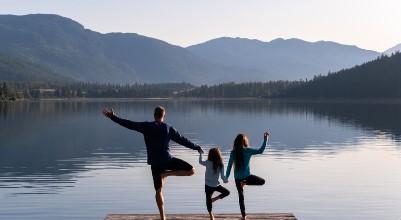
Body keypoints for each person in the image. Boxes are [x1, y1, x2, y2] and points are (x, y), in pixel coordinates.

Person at [102, 106, 203, 220]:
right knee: (191, 170)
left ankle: (162, 217)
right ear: (163, 116)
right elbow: (182, 140)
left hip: (155, 163)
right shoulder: (168, 128)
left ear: (154, 115)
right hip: (167, 160)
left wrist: (113, 117)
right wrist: (196, 147)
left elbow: (129, 124)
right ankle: (166, 174)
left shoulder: (146, 126)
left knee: (158, 191)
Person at [225, 131, 270, 220]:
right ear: (245, 141)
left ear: (236, 142)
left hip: (237, 178)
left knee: (241, 197)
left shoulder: (233, 153)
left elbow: (229, 166)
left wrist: (226, 177)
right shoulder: (248, 151)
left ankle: (244, 216)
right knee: (262, 181)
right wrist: (265, 140)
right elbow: (260, 151)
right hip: (247, 176)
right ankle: (245, 182)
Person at [199, 148, 230, 220]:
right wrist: (225, 180)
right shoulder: (221, 164)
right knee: (227, 192)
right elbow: (222, 177)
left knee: (208, 199)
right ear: (218, 155)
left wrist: (200, 153)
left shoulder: (207, 162)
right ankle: (214, 199)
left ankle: (211, 216)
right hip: (216, 185)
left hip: (208, 185)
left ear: (210, 155)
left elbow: (200, 162)